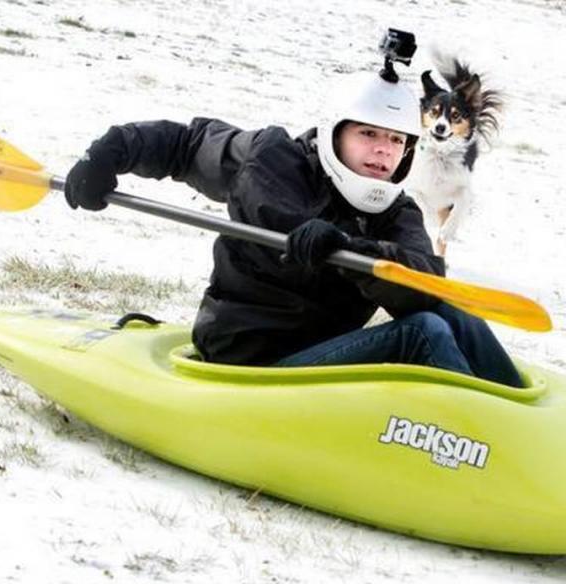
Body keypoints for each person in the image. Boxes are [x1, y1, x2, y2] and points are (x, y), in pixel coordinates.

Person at [63, 67, 524, 388]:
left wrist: (353, 251)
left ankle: (519, 426)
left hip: (322, 356)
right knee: (423, 333)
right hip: (246, 359)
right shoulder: (270, 159)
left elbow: (423, 283)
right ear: (335, 132)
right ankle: (490, 456)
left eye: (397, 141)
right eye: (368, 134)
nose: (384, 152)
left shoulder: (396, 212)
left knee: (447, 315)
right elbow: (187, 145)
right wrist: (109, 152)